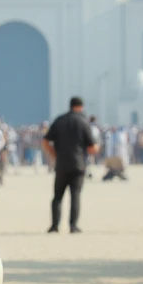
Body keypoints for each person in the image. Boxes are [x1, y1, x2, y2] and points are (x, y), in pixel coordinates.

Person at [43, 96, 98, 232]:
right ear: (80, 107)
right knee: (75, 196)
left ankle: (55, 226)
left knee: (57, 196)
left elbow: (45, 141)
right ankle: (73, 225)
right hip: (78, 165)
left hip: (61, 164)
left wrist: (55, 154)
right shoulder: (83, 122)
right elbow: (92, 148)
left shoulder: (59, 120)